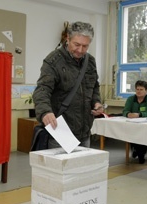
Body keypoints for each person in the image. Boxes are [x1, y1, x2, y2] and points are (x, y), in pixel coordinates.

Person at [32, 21, 104, 149]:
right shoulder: (53, 60)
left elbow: (94, 86)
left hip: (84, 131)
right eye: (76, 44)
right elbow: (42, 90)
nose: (80, 50)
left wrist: (97, 102)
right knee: (61, 168)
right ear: (68, 39)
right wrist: (45, 112)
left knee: (82, 168)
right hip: (61, 132)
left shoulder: (90, 61)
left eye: (85, 46)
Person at [122, 80, 147, 164]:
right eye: (137, 89)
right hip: (133, 125)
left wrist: (139, 114)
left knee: (146, 136)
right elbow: (125, 111)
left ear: (146, 91)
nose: (139, 91)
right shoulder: (130, 99)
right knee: (132, 134)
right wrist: (128, 114)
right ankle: (139, 153)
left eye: (141, 89)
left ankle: (140, 153)